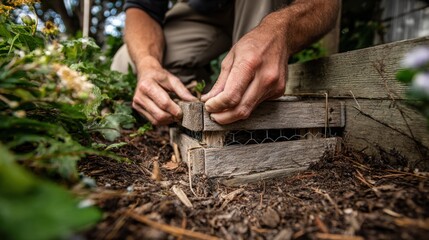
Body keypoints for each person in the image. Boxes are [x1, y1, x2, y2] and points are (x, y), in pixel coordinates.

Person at [111, 0, 340, 125]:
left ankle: (249, 111)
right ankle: (209, 96)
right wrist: (147, 64)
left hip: (273, 10)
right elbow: (142, 9)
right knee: (125, 66)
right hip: (203, 10)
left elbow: (328, 5)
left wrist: (282, 28)